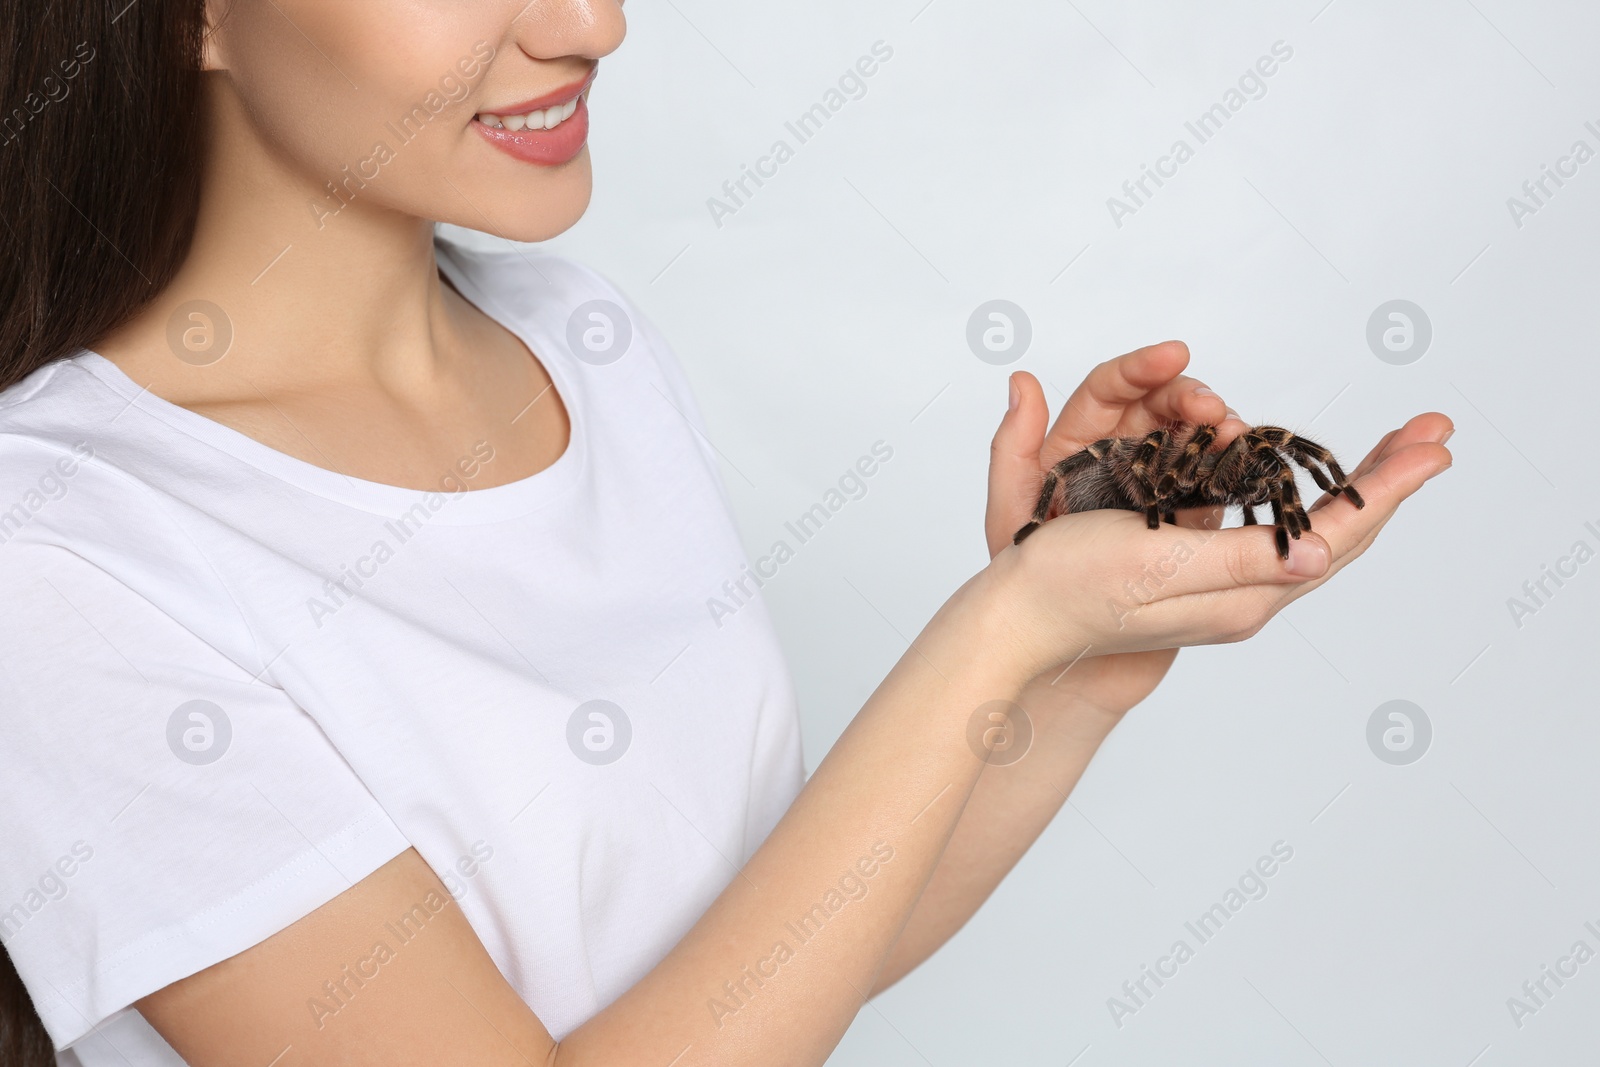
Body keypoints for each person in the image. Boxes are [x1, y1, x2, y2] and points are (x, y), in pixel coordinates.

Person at [0, 2, 1453, 1065]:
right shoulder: (54, 556)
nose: (593, 24)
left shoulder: (582, 339)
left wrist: (1070, 662)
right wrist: (995, 635)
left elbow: (781, 957)